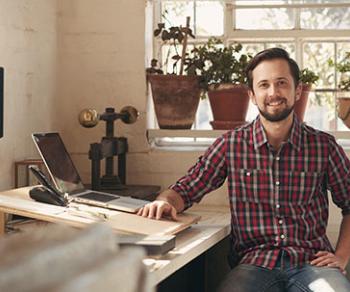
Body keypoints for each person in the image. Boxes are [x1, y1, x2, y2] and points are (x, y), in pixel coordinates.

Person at [137, 47, 350, 291]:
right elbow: (187, 189)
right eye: (264, 85)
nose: (273, 92)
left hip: (313, 264)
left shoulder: (323, 146)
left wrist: (342, 256)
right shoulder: (231, 144)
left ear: (297, 90)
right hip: (253, 264)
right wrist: (165, 202)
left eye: (281, 83)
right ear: (251, 94)